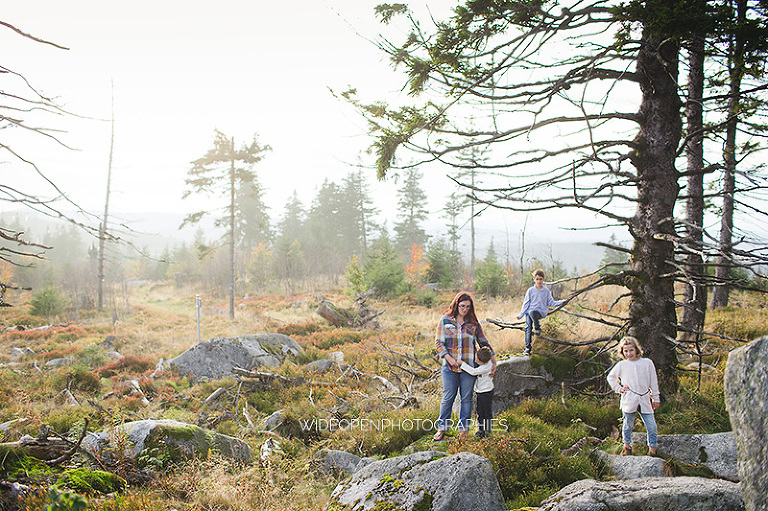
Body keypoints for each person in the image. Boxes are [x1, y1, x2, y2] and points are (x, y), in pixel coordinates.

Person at [433, 292, 496, 441]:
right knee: (448, 397)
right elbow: (438, 343)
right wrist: (449, 359)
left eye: (468, 306)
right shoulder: (445, 320)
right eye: (462, 306)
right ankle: (442, 428)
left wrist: (493, 360)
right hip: (449, 367)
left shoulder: (473, 323)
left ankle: (463, 430)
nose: (464, 309)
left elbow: (483, 342)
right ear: (456, 305)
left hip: (468, 367)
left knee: (466, 398)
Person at [606, 336, 661, 456]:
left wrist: (656, 398)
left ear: (636, 349)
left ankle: (652, 451)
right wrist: (619, 388)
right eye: (625, 351)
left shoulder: (647, 363)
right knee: (627, 425)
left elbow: (653, 382)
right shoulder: (622, 365)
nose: (629, 353)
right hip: (629, 399)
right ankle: (627, 447)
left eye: (631, 350)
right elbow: (611, 377)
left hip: (645, 399)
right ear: (622, 352)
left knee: (652, 426)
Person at [517, 269, 564, 356]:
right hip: (529, 312)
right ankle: (528, 348)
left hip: (540, 312)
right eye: (537, 279)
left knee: (532, 312)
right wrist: (521, 315)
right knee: (528, 327)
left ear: (543, 279)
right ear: (534, 279)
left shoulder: (546, 291)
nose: (539, 281)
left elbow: (551, 303)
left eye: (540, 279)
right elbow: (526, 304)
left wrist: (563, 302)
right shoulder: (530, 291)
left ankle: (538, 328)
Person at [460, 346, 494, 438]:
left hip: (486, 392)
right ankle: (481, 429)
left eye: (477, 361)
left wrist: (462, 364)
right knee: (480, 411)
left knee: (486, 412)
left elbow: (474, 372)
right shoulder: (485, 361)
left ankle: (487, 430)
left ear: (484, 362)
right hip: (480, 392)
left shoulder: (486, 367)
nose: (475, 361)